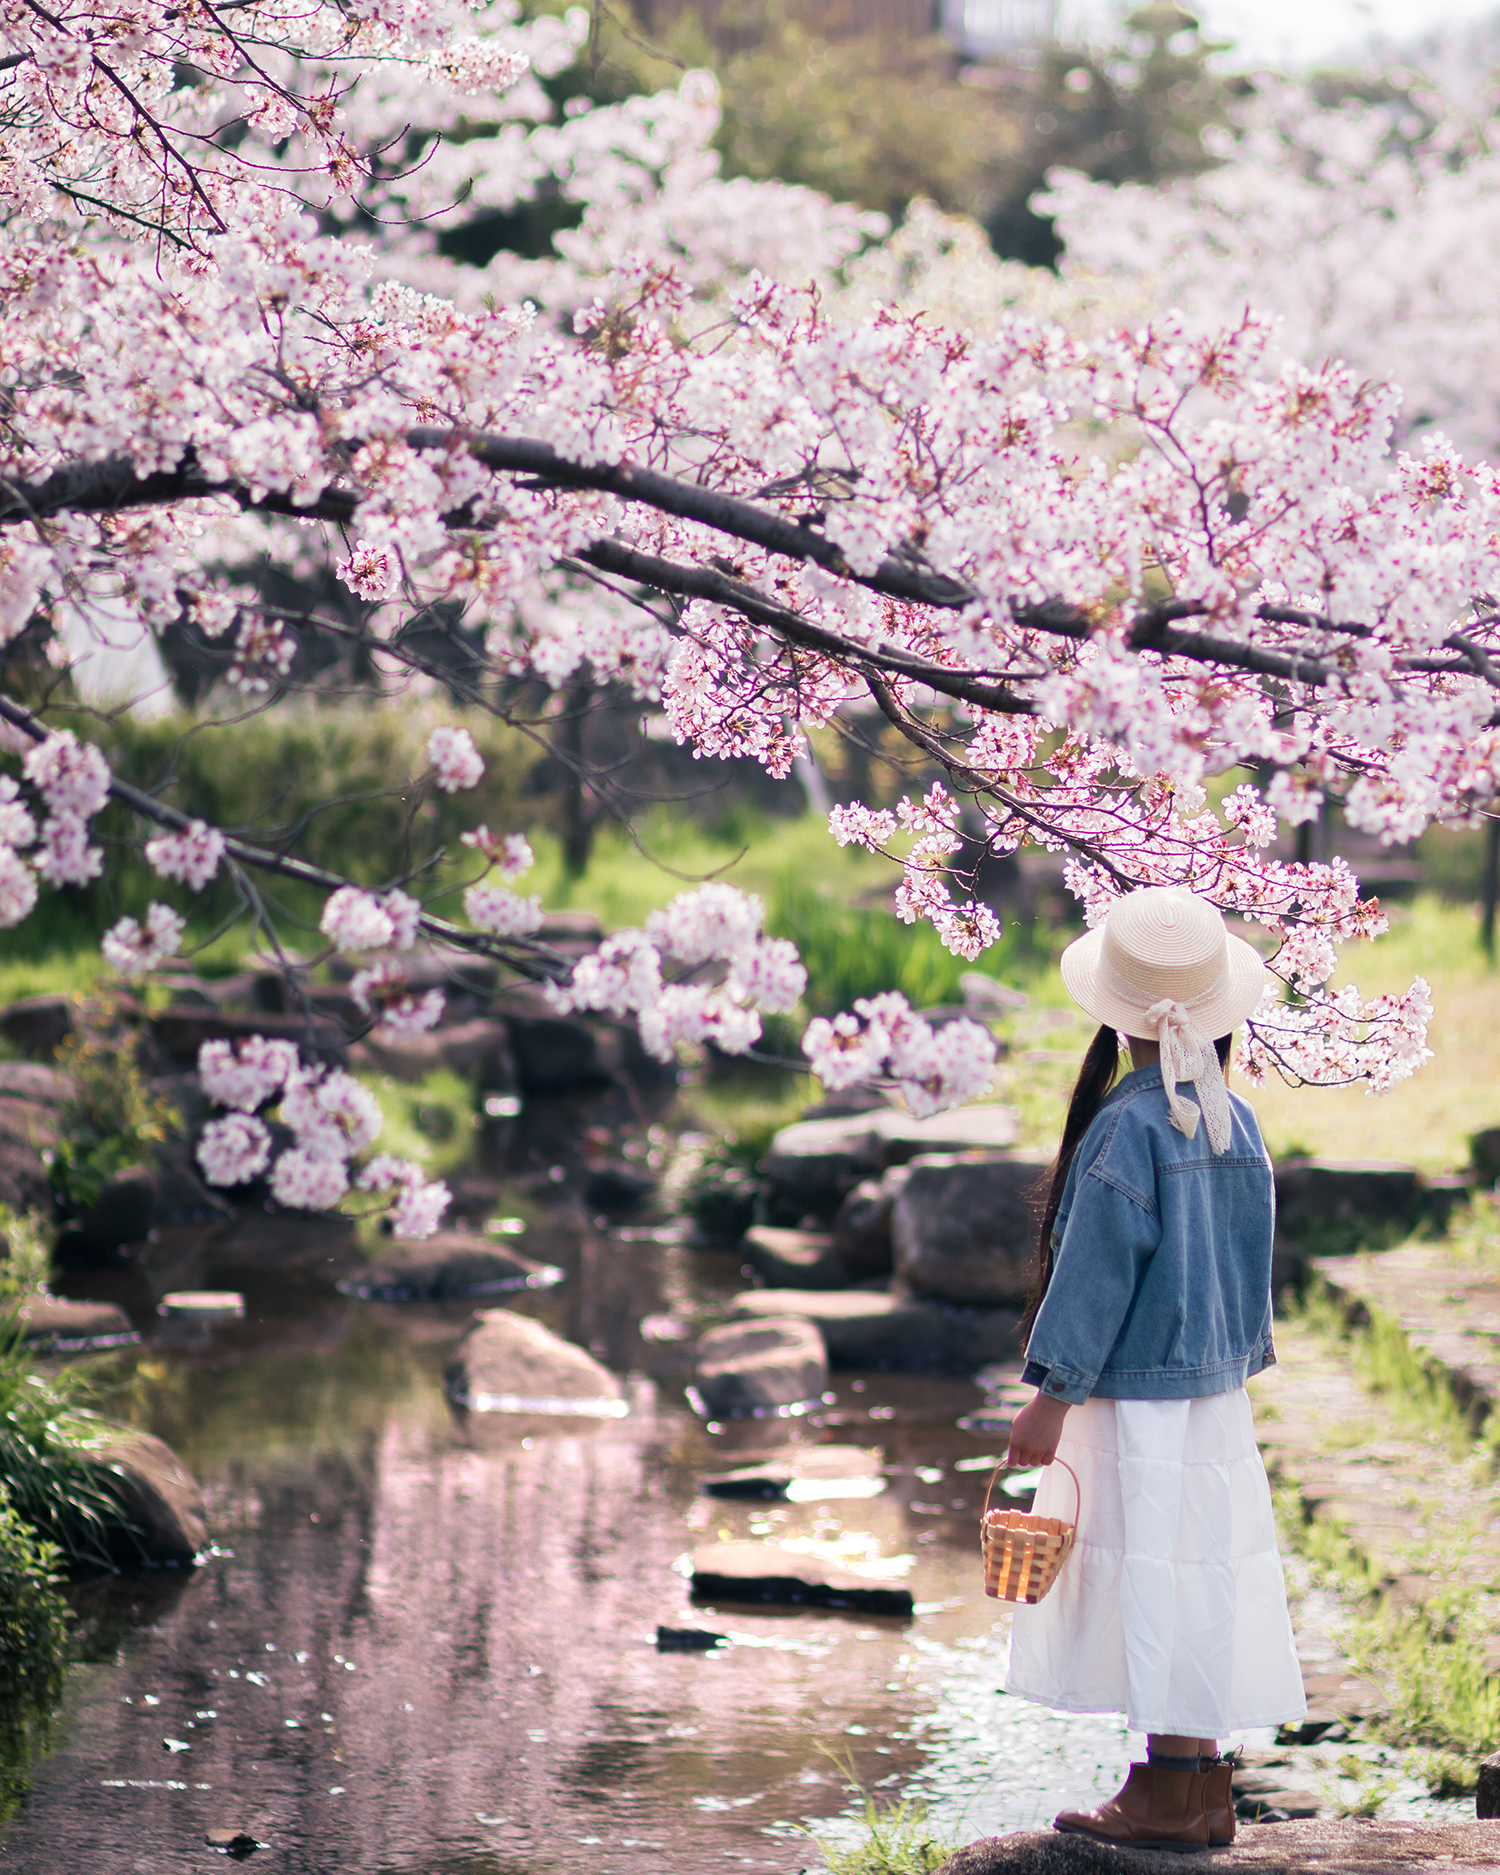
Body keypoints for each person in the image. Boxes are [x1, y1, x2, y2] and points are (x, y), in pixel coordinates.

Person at [1001, 885, 1306, 1851]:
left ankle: (1174, 1787)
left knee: (1152, 1574)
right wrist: (1234, 1356)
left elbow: (1094, 1276)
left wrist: (1050, 1397)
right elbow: (1248, 1264)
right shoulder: (1238, 1124)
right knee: (1197, 1570)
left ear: (1115, 1016)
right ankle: (1195, 1776)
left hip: (1134, 1398)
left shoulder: (1127, 1130)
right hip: (1212, 1399)